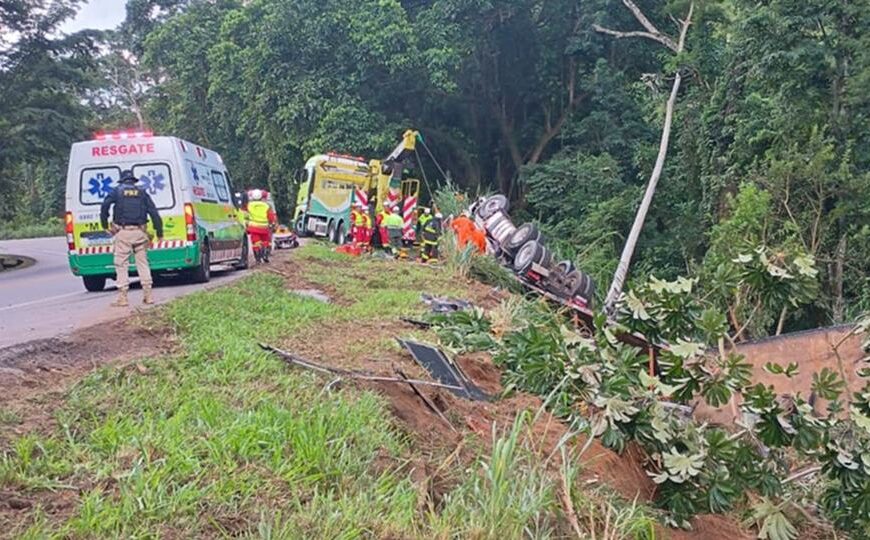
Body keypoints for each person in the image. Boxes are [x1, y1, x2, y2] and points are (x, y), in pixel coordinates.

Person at [100, 169, 163, 307]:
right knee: (143, 263)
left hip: (123, 233)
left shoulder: (116, 191)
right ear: (134, 181)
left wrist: (105, 224)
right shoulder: (142, 192)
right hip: (140, 233)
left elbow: (105, 206)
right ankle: (148, 295)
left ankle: (123, 298)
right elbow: (154, 212)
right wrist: (159, 232)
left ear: (122, 181)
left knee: (121, 264)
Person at [247, 189, 277, 263]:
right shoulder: (266, 206)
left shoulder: (249, 205)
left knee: (256, 243)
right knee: (265, 241)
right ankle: (265, 255)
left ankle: (257, 259)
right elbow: (271, 217)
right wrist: (272, 223)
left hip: (254, 228)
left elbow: (245, 214)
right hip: (264, 228)